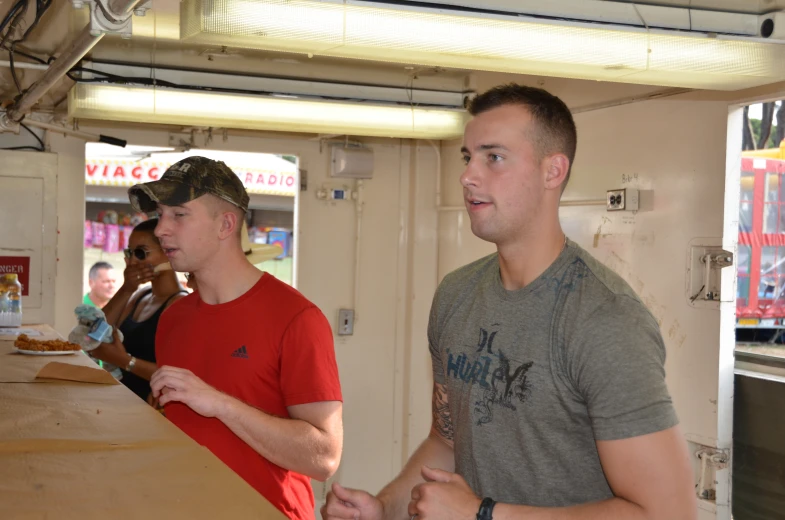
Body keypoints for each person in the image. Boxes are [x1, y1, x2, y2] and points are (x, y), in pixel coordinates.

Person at [322, 84, 697, 520]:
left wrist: (483, 514)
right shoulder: (456, 295)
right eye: (468, 157)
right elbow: (446, 441)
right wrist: (382, 507)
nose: (468, 176)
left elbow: (667, 513)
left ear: (552, 171)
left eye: (493, 157)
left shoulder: (603, 319)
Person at [128, 156, 343, 520]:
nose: (162, 229)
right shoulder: (174, 317)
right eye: (161, 214)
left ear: (226, 224)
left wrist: (219, 403)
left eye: (178, 215)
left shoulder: (297, 318)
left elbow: (323, 457)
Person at [90, 219, 188, 401]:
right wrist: (127, 288)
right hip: (121, 401)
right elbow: (95, 336)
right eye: (130, 252)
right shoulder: (140, 296)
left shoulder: (180, 305)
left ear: (168, 253)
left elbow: (179, 377)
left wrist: (124, 360)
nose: (133, 261)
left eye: (141, 253)